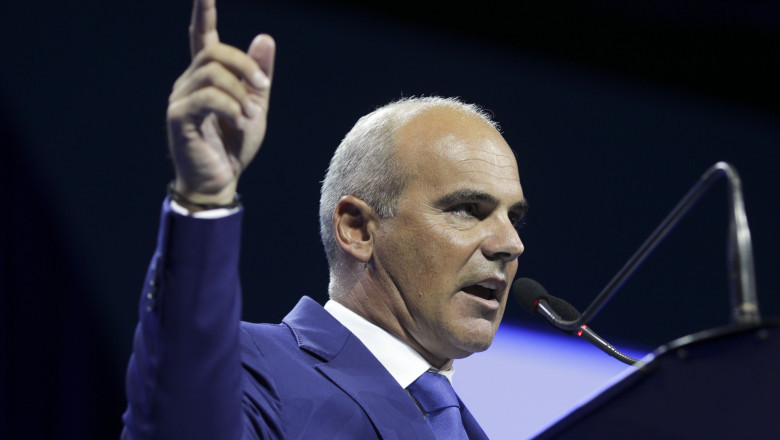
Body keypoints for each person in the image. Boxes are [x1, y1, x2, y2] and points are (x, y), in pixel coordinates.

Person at [122, 0, 527, 438]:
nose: (510, 243)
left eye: (514, 217)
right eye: (467, 209)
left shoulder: (465, 428)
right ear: (357, 229)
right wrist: (203, 199)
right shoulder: (253, 369)